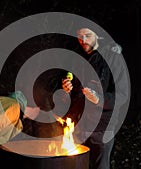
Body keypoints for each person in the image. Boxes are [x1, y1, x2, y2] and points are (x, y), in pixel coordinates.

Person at [60, 28, 122, 169]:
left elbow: (122, 95)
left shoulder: (112, 58)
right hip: (78, 126)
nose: (83, 40)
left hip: (101, 127)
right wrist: (67, 89)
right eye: (80, 36)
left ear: (97, 35)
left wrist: (100, 100)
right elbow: (74, 91)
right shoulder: (76, 57)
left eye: (88, 35)